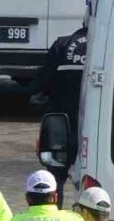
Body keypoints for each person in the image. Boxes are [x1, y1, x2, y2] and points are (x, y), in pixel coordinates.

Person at [35, 23, 88, 208]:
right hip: (96, 126)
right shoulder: (107, 43)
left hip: (62, 126)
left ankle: (54, 217)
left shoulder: (62, 44)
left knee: (56, 178)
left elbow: (43, 82)